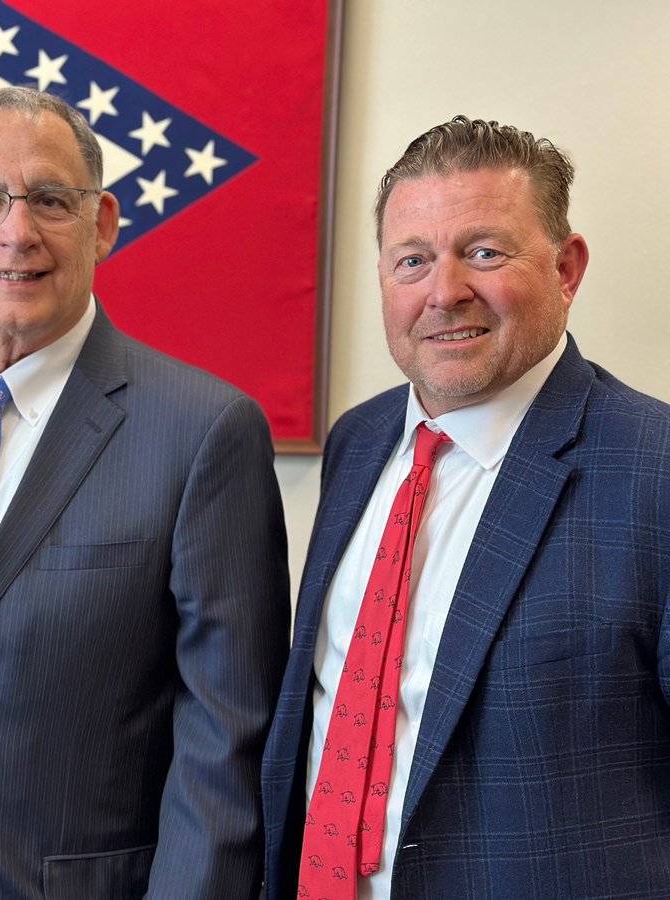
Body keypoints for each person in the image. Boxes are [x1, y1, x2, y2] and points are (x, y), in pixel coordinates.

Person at [0, 86, 290, 899]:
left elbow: (228, 739)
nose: (17, 232)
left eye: (50, 200)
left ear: (103, 223)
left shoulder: (204, 431)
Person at [262, 116, 670, 899]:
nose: (444, 292)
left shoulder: (654, 471)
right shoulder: (358, 443)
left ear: (567, 267)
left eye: (484, 252)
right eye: (411, 260)